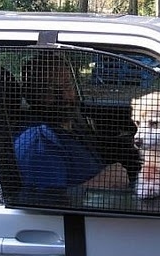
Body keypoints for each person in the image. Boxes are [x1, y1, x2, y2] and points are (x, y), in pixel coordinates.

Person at [14, 51, 129, 203]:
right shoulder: (38, 140)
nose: (64, 96)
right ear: (31, 94)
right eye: (50, 89)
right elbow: (48, 204)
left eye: (67, 85)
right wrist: (105, 182)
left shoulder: (70, 124)